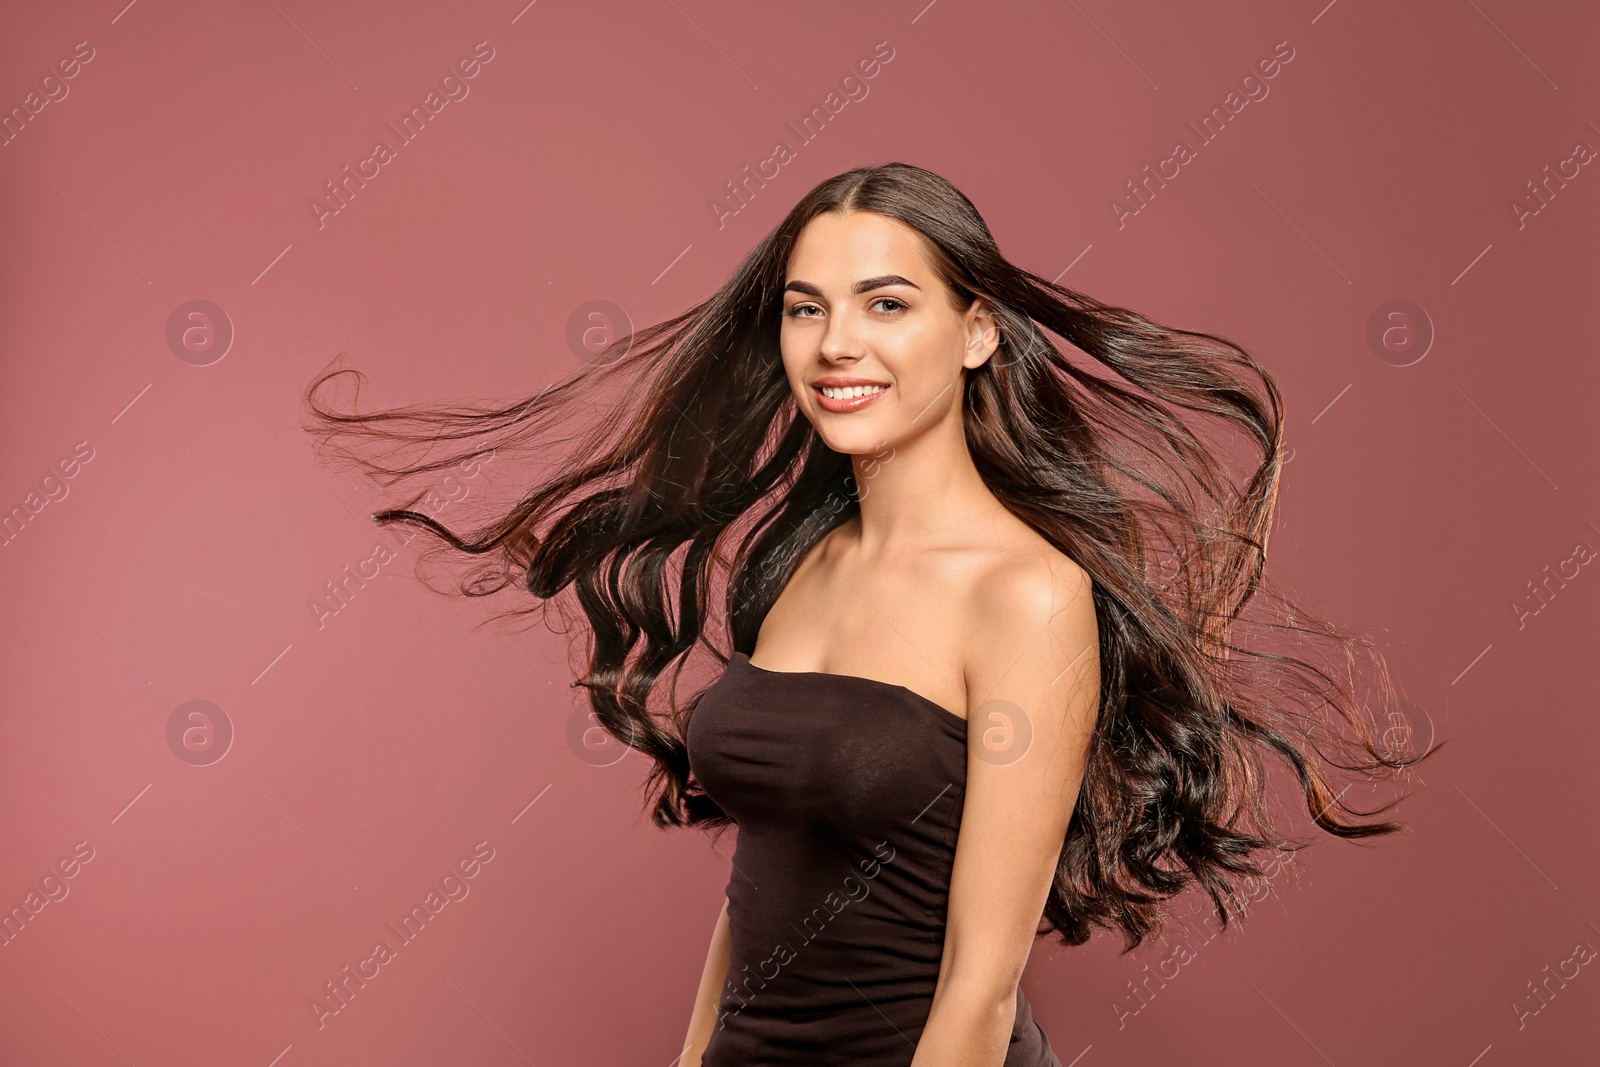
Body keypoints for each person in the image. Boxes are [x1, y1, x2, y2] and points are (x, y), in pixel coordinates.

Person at [303, 162, 1436, 1066]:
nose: (835, 343)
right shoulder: (796, 563)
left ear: (977, 332)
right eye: (807, 308)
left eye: (886, 304)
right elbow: (767, 868)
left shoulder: (1026, 595)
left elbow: (982, 987)